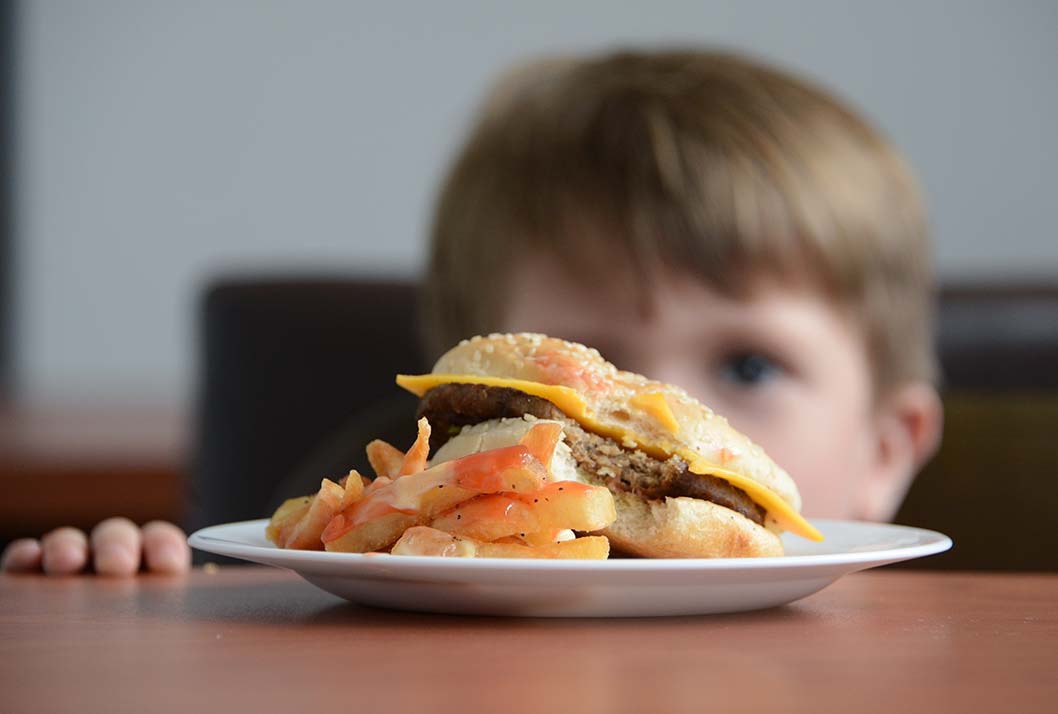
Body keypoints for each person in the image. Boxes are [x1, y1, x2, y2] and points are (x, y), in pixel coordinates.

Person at [1, 48, 941, 575]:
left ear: (886, 452)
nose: (650, 408)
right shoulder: (389, 572)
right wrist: (129, 583)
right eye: (587, 368)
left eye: (748, 365)